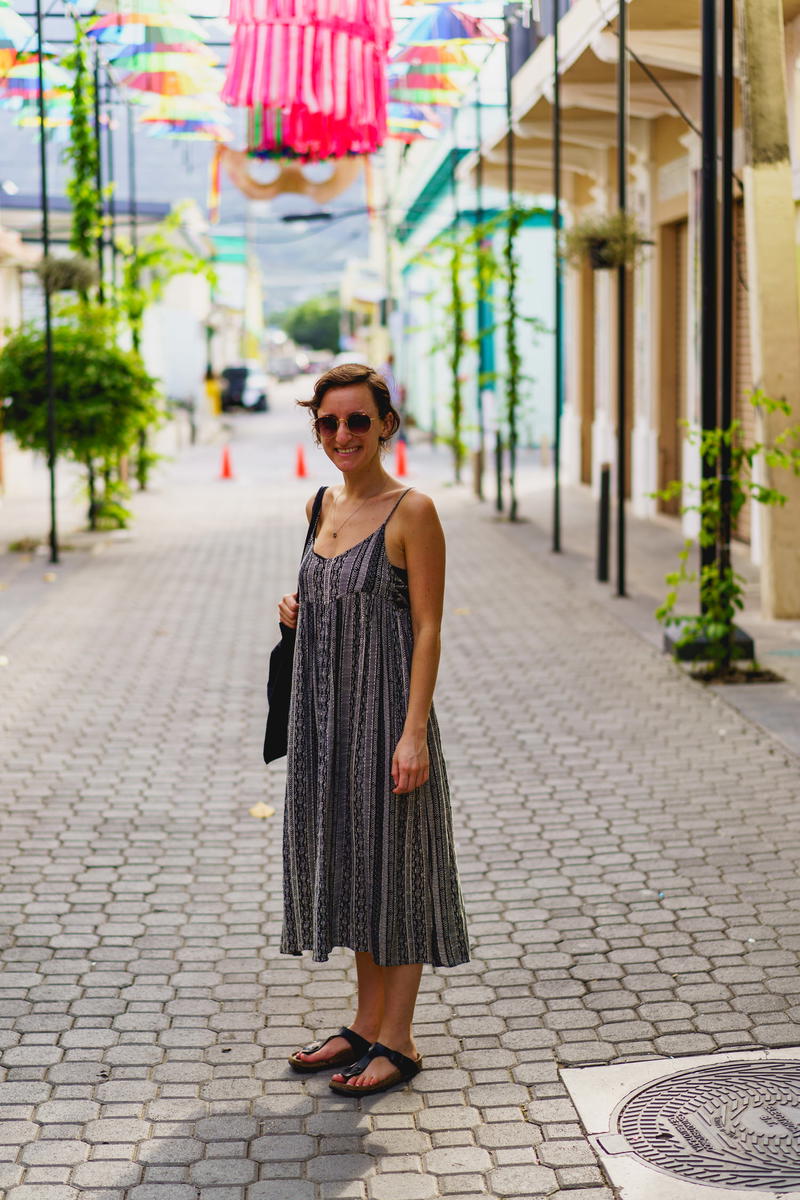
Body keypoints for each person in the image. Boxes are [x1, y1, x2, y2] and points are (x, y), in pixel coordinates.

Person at [277, 362, 470, 1096]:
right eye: (328, 422)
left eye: (358, 420)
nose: (343, 434)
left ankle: (400, 1040)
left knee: (399, 872)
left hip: (389, 719)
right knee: (354, 868)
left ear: (386, 424)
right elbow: (331, 589)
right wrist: (295, 607)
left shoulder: (412, 511)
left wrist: (413, 732)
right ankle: (362, 1025)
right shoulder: (317, 504)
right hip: (327, 722)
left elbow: (428, 629)